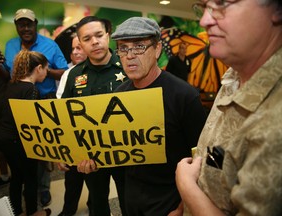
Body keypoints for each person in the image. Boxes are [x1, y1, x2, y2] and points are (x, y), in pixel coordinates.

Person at [78, 17, 207, 215]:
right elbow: (117, 148)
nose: (129, 56)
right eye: (123, 48)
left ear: (156, 50)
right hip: (131, 199)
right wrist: (95, 162)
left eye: (138, 47)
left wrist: (184, 205)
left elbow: (202, 158)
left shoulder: (185, 96)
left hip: (171, 202)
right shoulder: (119, 96)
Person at [175, 0, 282, 215]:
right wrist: (183, 208)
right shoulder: (234, 75)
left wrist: (186, 186)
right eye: (204, 7)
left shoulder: (274, 120)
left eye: (222, 3)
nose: (204, 20)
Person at [61, 16, 128, 216]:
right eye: (87, 38)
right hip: (91, 157)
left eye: (99, 35)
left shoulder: (128, 66)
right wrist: (62, 152)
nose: (95, 42)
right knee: (98, 204)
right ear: (80, 44)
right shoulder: (75, 75)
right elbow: (65, 115)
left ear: (108, 36)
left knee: (130, 202)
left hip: (128, 153)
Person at [4, 8, 69, 207]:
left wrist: (43, 70)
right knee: (21, 149)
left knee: (42, 149)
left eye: (28, 24)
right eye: (21, 24)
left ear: (35, 24)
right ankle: (25, 188)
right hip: (16, 103)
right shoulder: (10, 45)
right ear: (16, 26)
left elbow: (64, 72)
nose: (25, 28)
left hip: (43, 100)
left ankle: (43, 189)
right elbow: (7, 73)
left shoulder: (50, 45)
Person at [0, 50, 51, 216]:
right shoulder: (31, 90)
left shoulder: (12, 84)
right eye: (46, 69)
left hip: (2, 138)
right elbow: (30, 124)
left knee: (16, 176)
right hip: (18, 141)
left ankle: (16, 211)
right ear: (39, 68)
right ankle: (32, 212)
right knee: (31, 178)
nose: (46, 73)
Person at [56, 34, 89, 216]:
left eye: (79, 48)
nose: (75, 52)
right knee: (72, 180)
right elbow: (60, 111)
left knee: (97, 182)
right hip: (74, 139)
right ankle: (68, 210)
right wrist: (61, 148)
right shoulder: (68, 74)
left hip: (98, 140)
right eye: (73, 49)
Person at [0, 39, 11, 188]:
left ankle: (17, 173)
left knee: (8, 143)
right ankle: (4, 175)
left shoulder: (0, 61)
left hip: (3, 109)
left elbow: (7, 78)